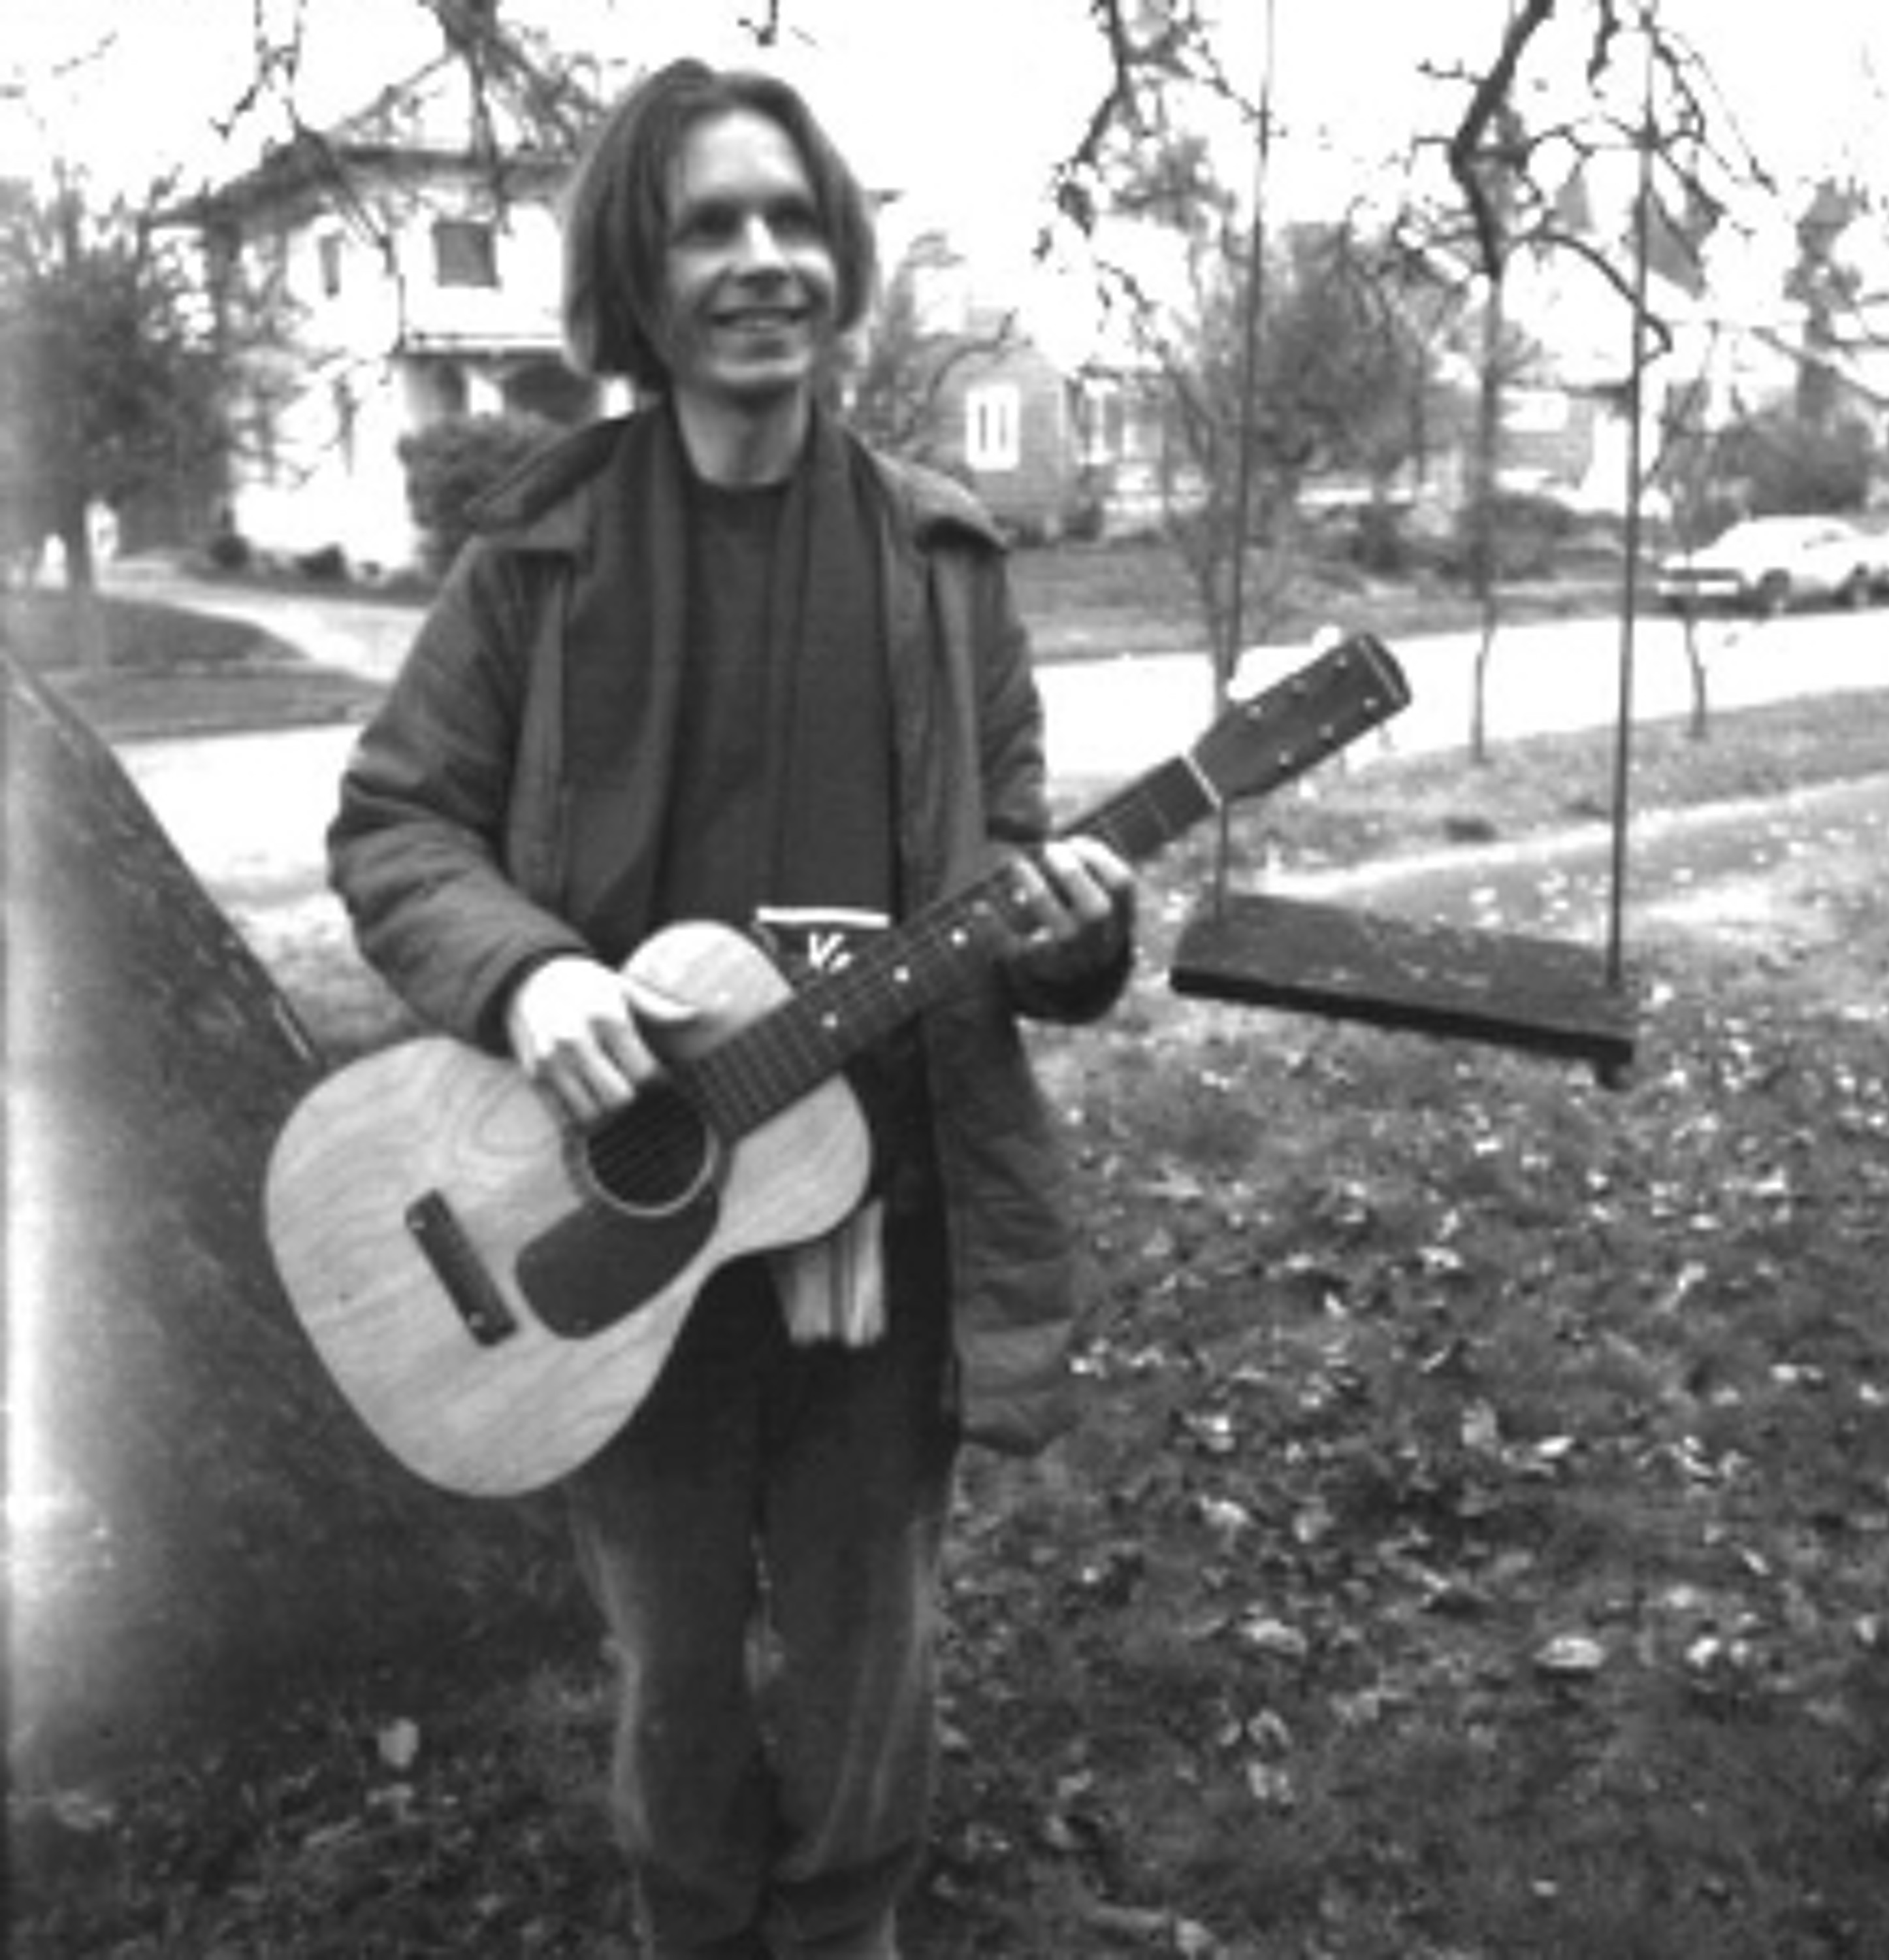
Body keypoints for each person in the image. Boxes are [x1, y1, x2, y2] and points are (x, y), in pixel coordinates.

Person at [326, 56, 1135, 1960]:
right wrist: (526, 975)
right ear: (640, 273)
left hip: (882, 1211)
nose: (763, 258)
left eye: (793, 218)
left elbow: (1012, 866)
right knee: (674, 1664)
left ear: (840, 256)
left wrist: (1070, 935)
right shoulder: (538, 555)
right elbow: (395, 824)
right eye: (710, 225)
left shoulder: (944, 560)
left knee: (871, 1656)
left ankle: (844, 1926)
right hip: (611, 1219)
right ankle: (691, 1924)